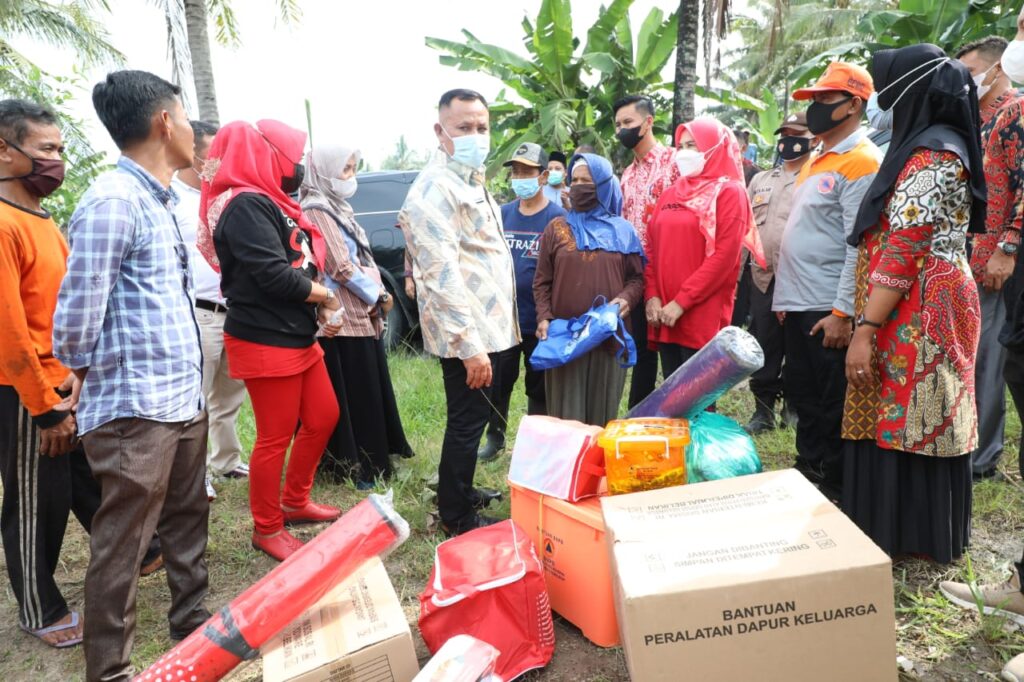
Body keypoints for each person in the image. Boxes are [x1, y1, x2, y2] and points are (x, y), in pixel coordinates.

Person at [52, 70, 210, 681]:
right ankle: (111, 671)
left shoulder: (161, 200)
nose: (195, 131)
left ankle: (193, 627)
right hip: (136, 406)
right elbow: (75, 315)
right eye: (185, 115)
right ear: (163, 122)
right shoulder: (115, 200)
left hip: (181, 396)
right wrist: (87, 375)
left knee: (187, 518)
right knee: (122, 542)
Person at [843, 45, 986, 564]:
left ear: (912, 90)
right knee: (905, 406)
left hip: (919, 300)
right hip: (915, 294)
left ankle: (913, 537)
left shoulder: (933, 157)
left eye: (888, 87)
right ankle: (900, 530)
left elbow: (905, 247)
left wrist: (865, 328)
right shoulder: (930, 149)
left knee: (919, 409)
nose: (883, 101)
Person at [198, 119, 342, 561]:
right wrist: (326, 297)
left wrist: (315, 302)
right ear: (264, 155)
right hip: (264, 337)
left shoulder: (266, 201)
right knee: (275, 436)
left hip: (292, 332)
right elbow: (272, 275)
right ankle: (267, 527)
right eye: (292, 157)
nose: (296, 166)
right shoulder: (243, 205)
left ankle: (295, 500)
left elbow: (292, 265)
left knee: (323, 416)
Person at [398, 89, 518, 537]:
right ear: (440, 131)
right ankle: (456, 516)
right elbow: (441, 277)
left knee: (479, 418)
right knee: (466, 425)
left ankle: (462, 491)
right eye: (463, 128)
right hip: (470, 337)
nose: (475, 136)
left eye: (481, 127)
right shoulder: (433, 189)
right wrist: (469, 348)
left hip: (494, 327)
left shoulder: (470, 177)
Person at [771, 62, 881, 500]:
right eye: (812, 100)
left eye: (823, 100)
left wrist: (842, 313)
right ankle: (808, 470)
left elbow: (858, 245)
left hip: (826, 306)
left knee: (831, 399)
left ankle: (835, 484)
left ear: (853, 104)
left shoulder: (862, 161)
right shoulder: (817, 159)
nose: (814, 109)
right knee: (803, 393)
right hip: (799, 301)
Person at [0, 99, 87, 649]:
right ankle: (37, 605)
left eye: (60, 150)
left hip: (62, 383)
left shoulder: (41, 218)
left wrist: (76, 377)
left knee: (82, 480)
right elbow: (9, 330)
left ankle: (142, 553)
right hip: (26, 394)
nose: (57, 161)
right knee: (36, 502)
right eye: (45, 150)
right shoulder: (4, 223)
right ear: (5, 153)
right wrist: (46, 407)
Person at [299, 143, 414, 487]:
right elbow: (339, 265)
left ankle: (374, 460)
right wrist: (379, 294)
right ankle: (353, 467)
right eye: (345, 169)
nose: (351, 177)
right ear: (323, 171)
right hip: (343, 316)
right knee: (354, 394)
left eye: (353, 168)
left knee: (368, 390)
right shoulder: (317, 208)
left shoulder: (338, 206)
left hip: (359, 313)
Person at [644, 119, 763, 377]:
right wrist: (652, 295)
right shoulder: (671, 193)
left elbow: (725, 257)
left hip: (700, 313)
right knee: (671, 400)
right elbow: (651, 248)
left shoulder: (730, 193)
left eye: (693, 145)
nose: (684, 152)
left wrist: (682, 302)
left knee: (698, 401)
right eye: (681, 146)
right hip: (665, 312)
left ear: (714, 148)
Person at [534, 153, 645, 426]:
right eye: (576, 180)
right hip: (564, 338)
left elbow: (636, 280)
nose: (579, 186)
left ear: (604, 185)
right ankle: (568, 468)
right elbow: (542, 280)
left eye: (588, 180)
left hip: (608, 337)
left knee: (601, 420)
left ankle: (597, 469)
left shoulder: (624, 231)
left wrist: (622, 302)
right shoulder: (556, 228)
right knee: (565, 419)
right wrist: (544, 316)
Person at [956, 36, 1023, 480]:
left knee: (991, 361)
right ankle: (972, 446)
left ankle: (983, 458)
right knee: (975, 355)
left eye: (971, 73)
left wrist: (1008, 247)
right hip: (975, 257)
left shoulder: (1014, 114)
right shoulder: (978, 121)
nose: (967, 83)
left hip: (1000, 260)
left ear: (998, 68)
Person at [172, 120, 248, 501]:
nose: (218, 159)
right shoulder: (171, 198)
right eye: (212, 151)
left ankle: (227, 459)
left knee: (229, 395)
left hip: (232, 309)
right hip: (197, 313)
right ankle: (194, 475)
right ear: (194, 153)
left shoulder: (223, 195)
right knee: (195, 399)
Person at [478, 143, 567, 461]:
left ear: (543, 177)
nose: (519, 178)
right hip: (503, 319)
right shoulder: (502, 215)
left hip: (539, 319)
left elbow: (563, 270)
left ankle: (537, 440)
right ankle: (495, 437)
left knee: (538, 384)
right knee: (499, 382)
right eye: (515, 172)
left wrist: (551, 314)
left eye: (526, 172)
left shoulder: (558, 219)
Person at [744, 112, 817, 433]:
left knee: (798, 347)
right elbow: (746, 228)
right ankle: (763, 410)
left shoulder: (817, 175)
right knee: (765, 343)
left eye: (796, 134)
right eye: (784, 135)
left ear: (813, 139)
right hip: (762, 276)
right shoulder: (761, 180)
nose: (788, 141)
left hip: (802, 277)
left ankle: (795, 406)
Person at [615, 94, 680, 408]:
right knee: (640, 352)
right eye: (618, 125)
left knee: (675, 356)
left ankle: (682, 416)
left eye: (628, 122)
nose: (622, 130)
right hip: (636, 275)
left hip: (671, 273)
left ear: (648, 121)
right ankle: (638, 415)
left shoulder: (674, 163)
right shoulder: (627, 174)